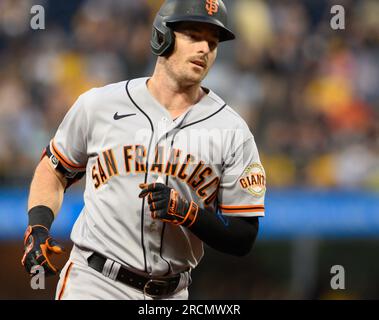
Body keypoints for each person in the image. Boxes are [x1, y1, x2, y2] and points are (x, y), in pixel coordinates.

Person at [21, 0, 266, 300]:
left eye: (212, 43)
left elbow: (243, 236)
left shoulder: (232, 130)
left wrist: (188, 214)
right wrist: (38, 227)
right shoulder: (100, 104)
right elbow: (54, 169)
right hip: (95, 282)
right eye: (193, 35)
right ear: (161, 36)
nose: (204, 48)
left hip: (172, 291)